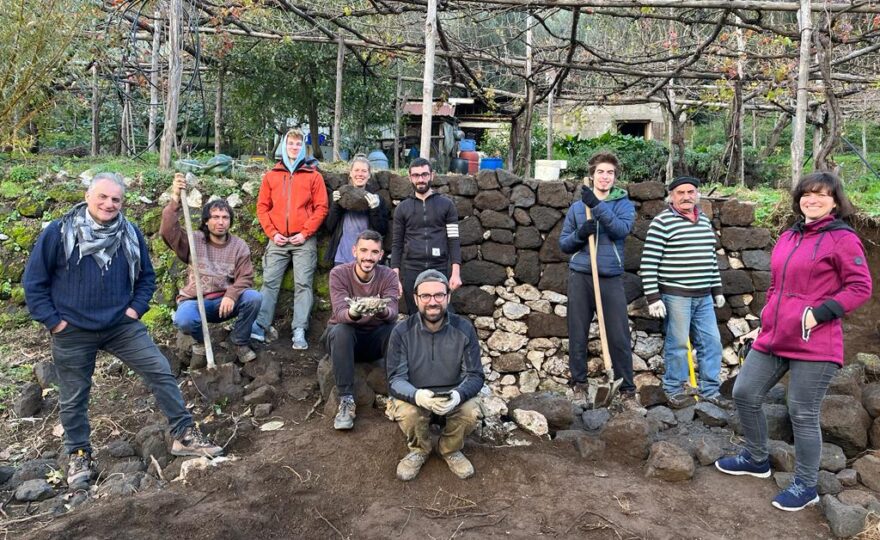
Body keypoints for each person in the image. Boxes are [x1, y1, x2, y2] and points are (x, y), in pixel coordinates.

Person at [23, 173, 222, 489]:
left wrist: (134, 310)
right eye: (102, 197)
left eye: (116, 199)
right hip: (72, 328)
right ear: (88, 196)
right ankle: (78, 454)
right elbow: (34, 283)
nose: (109, 204)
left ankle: (184, 435)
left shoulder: (128, 233)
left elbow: (146, 278)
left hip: (120, 325)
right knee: (74, 395)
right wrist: (54, 322)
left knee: (159, 370)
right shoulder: (59, 232)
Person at [715, 172, 872, 512]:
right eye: (806, 194)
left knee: (802, 411)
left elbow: (860, 286)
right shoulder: (788, 235)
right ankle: (757, 459)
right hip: (775, 334)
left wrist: (820, 313)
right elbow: (776, 285)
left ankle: (805, 485)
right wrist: (765, 319)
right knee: (744, 392)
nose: (812, 200)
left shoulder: (842, 239)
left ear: (835, 202)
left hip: (815, 340)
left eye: (821, 195)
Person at [639, 176, 728, 409]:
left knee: (712, 343)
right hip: (676, 294)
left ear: (697, 195)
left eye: (691, 192)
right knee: (678, 344)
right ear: (672, 196)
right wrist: (653, 297)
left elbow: (711, 259)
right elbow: (649, 263)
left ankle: (710, 390)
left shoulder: (703, 221)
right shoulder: (662, 222)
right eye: (681, 192)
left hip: (704, 296)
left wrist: (717, 289)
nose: (687, 196)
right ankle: (673, 388)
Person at [386, 269, 484, 481]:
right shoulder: (401, 332)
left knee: (471, 410)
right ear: (415, 298)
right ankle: (419, 450)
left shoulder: (464, 329)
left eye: (439, 295)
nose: (432, 302)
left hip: (451, 395)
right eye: (425, 296)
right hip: (416, 396)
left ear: (448, 297)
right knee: (410, 413)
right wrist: (417, 396)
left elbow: (475, 375)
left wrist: (458, 395)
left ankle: (449, 449)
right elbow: (395, 378)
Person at [559, 152, 637, 407]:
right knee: (577, 333)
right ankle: (579, 386)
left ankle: (627, 391)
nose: (605, 177)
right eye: (601, 172)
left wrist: (597, 205)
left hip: (610, 277)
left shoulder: (623, 203)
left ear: (615, 177)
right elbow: (565, 245)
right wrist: (581, 234)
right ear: (592, 175)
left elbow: (620, 230)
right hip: (581, 275)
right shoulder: (576, 208)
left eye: (610, 173)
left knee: (619, 335)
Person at [161, 173, 261, 365]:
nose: (220, 222)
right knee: (184, 319)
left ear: (230, 221)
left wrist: (231, 295)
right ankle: (199, 341)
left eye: (225, 217)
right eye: (215, 217)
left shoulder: (239, 246)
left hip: (225, 302)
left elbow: (245, 278)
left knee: (254, 298)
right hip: (197, 301)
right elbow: (167, 231)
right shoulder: (194, 240)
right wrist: (175, 198)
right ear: (206, 221)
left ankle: (239, 342)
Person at [252, 129, 329, 349]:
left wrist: (304, 233)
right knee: (269, 281)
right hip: (277, 239)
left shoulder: (313, 176)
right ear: (284, 146)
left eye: (298, 144)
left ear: (303, 148)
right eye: (291, 143)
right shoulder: (272, 175)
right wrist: (272, 233)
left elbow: (321, 208)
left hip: (303, 240)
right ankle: (260, 325)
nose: (294, 147)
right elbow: (262, 207)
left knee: (304, 284)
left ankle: (299, 330)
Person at [325, 230, 399, 430]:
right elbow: (340, 313)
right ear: (354, 251)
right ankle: (346, 400)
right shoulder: (339, 274)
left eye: (374, 252)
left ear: (381, 255)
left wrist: (380, 309)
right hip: (345, 337)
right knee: (342, 330)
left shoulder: (389, 276)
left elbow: (393, 312)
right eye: (363, 250)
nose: (368, 257)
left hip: (374, 338)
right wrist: (355, 312)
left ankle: (396, 396)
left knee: (396, 329)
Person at [390, 158, 462, 315]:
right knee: (416, 318)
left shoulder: (447, 205)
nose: (420, 179)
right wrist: (394, 277)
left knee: (445, 316)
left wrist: (455, 273)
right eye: (416, 175)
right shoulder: (402, 208)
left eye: (424, 174)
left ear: (432, 175)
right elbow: (396, 243)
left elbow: (454, 239)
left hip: (440, 268)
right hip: (411, 269)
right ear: (409, 177)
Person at [324, 155, 389, 267]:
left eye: (364, 171)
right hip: (342, 257)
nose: (360, 174)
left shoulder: (377, 199)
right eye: (356, 170)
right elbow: (329, 227)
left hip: (366, 258)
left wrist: (375, 209)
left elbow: (382, 230)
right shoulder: (341, 195)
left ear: (369, 175)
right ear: (350, 173)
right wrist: (335, 205)